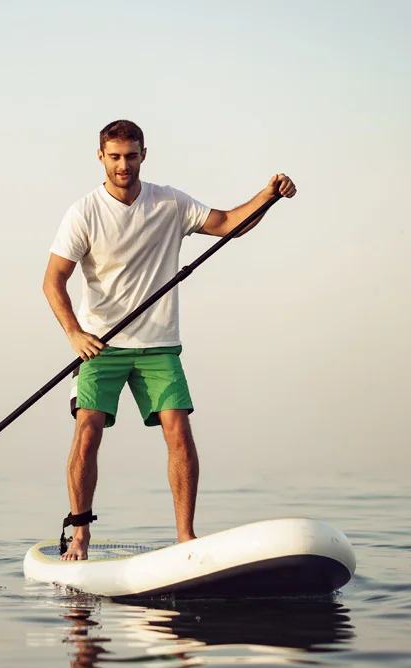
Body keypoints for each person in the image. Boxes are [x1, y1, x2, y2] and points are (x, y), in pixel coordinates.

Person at [42, 119, 296, 560]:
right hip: (100, 345)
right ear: (100, 157)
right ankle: (80, 534)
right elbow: (53, 281)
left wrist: (268, 196)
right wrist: (74, 333)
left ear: (144, 154)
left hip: (159, 343)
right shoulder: (83, 212)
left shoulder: (170, 202)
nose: (124, 165)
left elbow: (228, 224)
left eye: (131, 155)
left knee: (179, 431)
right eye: (115, 156)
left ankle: (186, 539)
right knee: (88, 431)